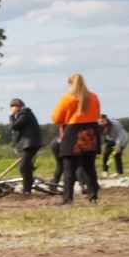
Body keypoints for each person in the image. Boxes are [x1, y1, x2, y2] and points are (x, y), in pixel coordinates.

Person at [51, 74, 101, 204]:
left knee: (69, 169)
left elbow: (56, 118)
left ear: (70, 84)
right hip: (91, 132)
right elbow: (97, 115)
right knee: (89, 167)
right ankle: (93, 196)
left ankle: (68, 199)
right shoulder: (94, 97)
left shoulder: (68, 98)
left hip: (73, 134)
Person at [7, 98, 42, 194]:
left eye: (12, 107)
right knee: (27, 166)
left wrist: (11, 116)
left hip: (30, 144)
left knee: (23, 166)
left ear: (17, 106)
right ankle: (28, 188)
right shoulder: (24, 114)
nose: (11, 109)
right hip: (29, 143)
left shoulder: (24, 113)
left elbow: (14, 126)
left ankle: (27, 190)